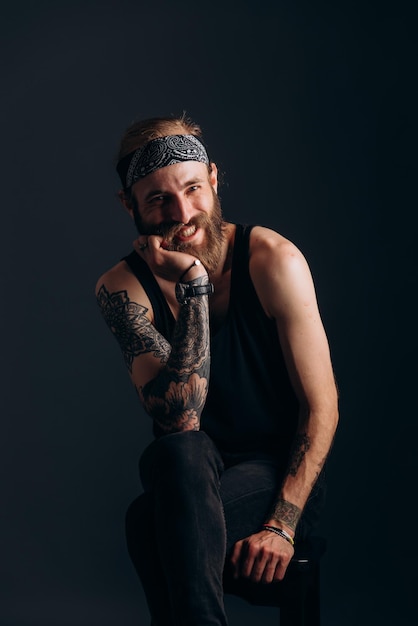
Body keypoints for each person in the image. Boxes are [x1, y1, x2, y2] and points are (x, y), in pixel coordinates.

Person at [95, 113, 339, 626]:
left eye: (191, 189)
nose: (182, 213)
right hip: (189, 471)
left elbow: (322, 408)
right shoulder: (122, 288)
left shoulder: (273, 259)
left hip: (280, 472)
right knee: (184, 449)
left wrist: (281, 525)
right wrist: (194, 286)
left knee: (147, 524)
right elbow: (182, 419)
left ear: (213, 178)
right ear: (129, 205)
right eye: (158, 198)